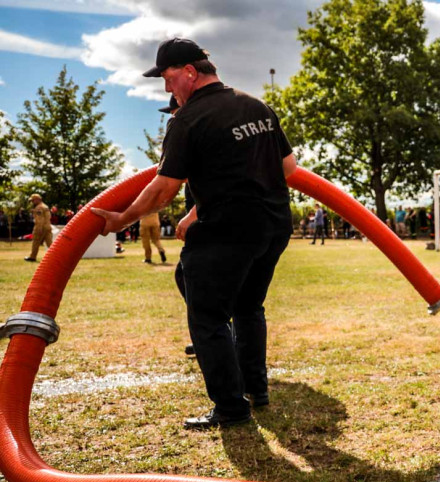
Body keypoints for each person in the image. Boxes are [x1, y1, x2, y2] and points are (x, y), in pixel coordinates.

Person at [91, 37, 298, 428]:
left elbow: (163, 188)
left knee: (207, 319)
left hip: (227, 231)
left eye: (168, 79)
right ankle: (257, 388)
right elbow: (287, 169)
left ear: (189, 72)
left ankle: (231, 409)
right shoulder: (257, 106)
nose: (167, 89)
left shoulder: (188, 119)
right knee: (249, 308)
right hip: (272, 225)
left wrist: (122, 219)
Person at [25, 193, 52, 262]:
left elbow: (40, 220)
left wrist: (39, 229)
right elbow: (48, 217)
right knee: (50, 244)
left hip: (40, 228)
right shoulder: (45, 206)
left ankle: (32, 257)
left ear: (37, 200)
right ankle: (56, 256)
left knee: (35, 242)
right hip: (48, 227)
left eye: (33, 200)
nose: (32, 202)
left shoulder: (38, 208)